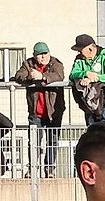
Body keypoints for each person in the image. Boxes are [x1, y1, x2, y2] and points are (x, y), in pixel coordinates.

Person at [13, 42, 66, 179]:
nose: (43, 57)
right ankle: (32, 169)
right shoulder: (28, 64)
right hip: (35, 112)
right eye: (39, 55)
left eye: (45, 54)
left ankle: (50, 169)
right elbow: (19, 75)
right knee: (34, 141)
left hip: (54, 111)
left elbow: (59, 76)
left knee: (52, 140)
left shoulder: (56, 63)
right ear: (34, 56)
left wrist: (43, 77)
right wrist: (30, 76)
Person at [69, 34, 105, 125]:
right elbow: (72, 74)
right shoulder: (79, 59)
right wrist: (85, 74)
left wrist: (96, 78)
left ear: (90, 49)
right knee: (92, 132)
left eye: (80, 50)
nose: (79, 53)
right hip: (89, 102)